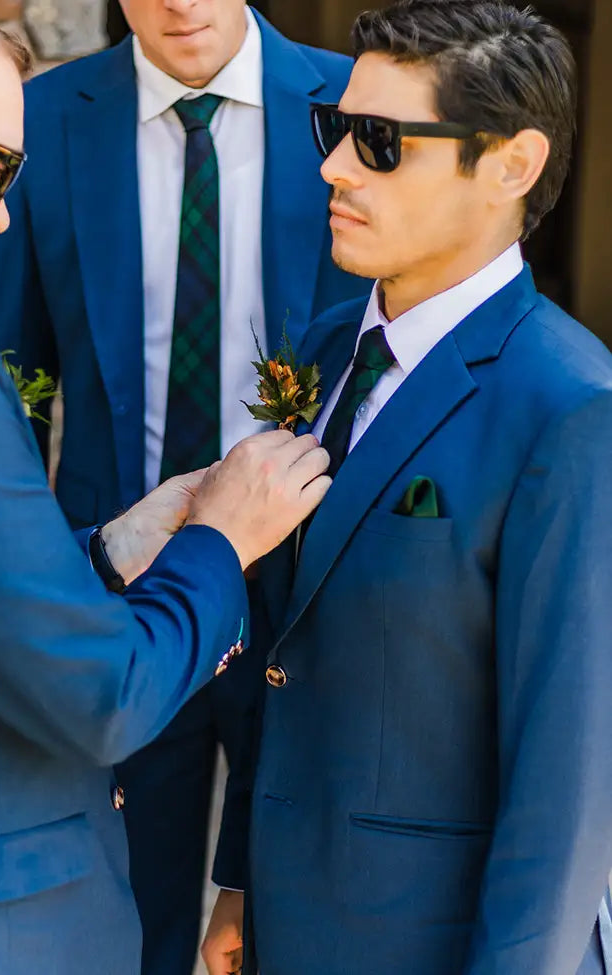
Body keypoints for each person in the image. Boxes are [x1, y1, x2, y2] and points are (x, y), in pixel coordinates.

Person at [202, 2, 612, 974]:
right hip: (285, 919)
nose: (334, 168)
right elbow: (286, 648)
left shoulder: (566, 408)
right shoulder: (324, 348)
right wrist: (241, 880)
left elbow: (567, 785)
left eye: (378, 142)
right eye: (332, 130)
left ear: (508, 167)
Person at [0, 2, 372, 970]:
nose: (180, 2)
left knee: (294, 924)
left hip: (303, 592)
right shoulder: (40, 114)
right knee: (118, 911)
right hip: (103, 615)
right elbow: (6, 367)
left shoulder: (358, 108)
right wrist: (61, 570)